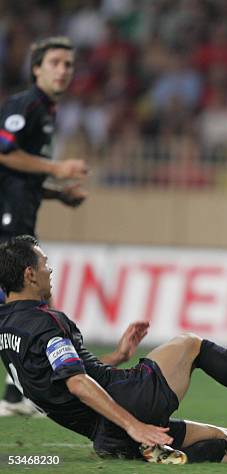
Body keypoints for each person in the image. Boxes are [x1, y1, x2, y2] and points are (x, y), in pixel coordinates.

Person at [0, 235, 227, 463]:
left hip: (104, 434)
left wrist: (117, 357)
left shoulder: (7, 326)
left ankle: (156, 453)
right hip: (126, 405)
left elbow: (63, 374)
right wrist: (134, 425)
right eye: (44, 264)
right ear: (29, 274)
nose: (50, 270)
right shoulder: (45, 322)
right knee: (190, 345)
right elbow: (75, 382)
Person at [0, 36, 88, 415]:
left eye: (68, 64)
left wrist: (57, 194)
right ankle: (19, 392)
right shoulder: (26, 105)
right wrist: (56, 168)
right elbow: (4, 152)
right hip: (6, 219)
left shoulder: (47, 111)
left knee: (25, 305)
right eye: (55, 62)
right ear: (37, 68)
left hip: (20, 215)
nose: (63, 70)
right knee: (26, 303)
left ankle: (16, 393)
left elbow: (23, 175)